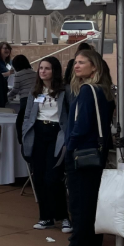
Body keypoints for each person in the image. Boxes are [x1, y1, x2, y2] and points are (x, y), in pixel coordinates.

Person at [47, 49, 114, 246]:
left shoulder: (87, 90)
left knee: (78, 200)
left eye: (82, 62)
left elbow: (81, 125)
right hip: (96, 151)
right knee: (91, 199)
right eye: (75, 62)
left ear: (94, 67)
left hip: (82, 152)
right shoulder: (103, 91)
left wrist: (70, 146)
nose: (76, 66)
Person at [20, 57, 71, 232]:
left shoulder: (65, 91)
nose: (42, 71)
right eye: (41, 68)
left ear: (54, 71)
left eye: (47, 68)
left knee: (53, 176)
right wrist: (25, 132)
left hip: (57, 133)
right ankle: (45, 217)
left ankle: (64, 217)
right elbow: (27, 114)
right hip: (38, 132)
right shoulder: (35, 91)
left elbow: (69, 115)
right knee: (39, 176)